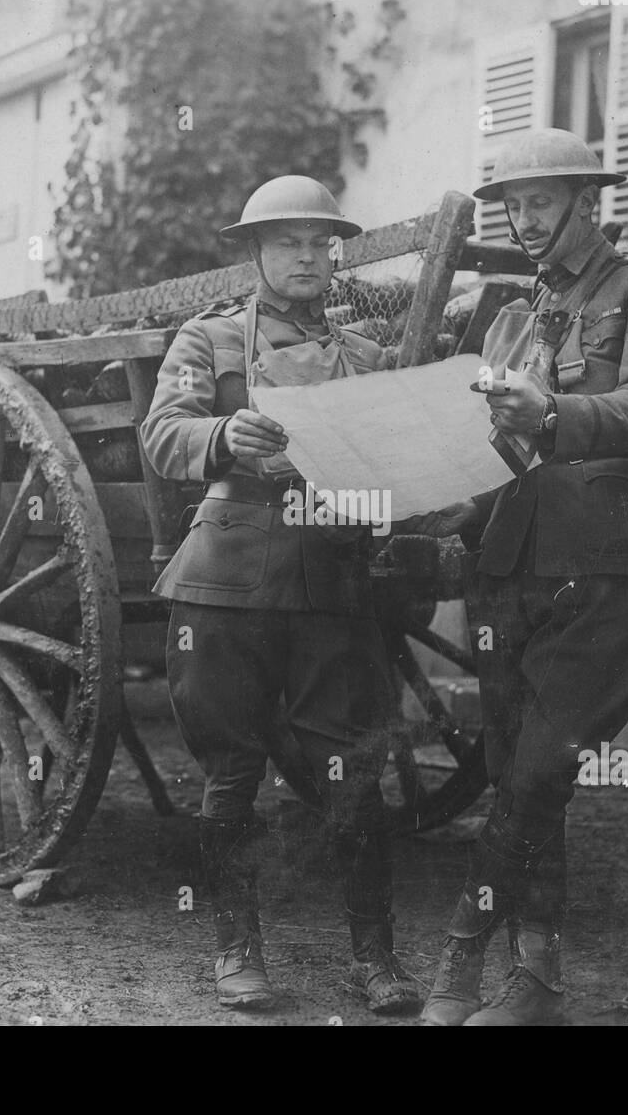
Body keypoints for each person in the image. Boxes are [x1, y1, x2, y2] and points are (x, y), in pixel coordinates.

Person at [414, 129, 628, 1026]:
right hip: (511, 568)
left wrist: (552, 412)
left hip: (614, 565)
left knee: (541, 771)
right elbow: (488, 450)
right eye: (514, 203)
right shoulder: (513, 315)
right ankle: (537, 982)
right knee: (513, 770)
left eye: (543, 201)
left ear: (590, 202)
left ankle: (461, 961)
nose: (525, 218)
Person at [139, 175, 419, 1014]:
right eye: (287, 242)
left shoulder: (365, 356)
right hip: (226, 580)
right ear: (255, 252)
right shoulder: (213, 339)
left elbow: (394, 461)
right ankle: (236, 953)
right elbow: (162, 434)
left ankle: (377, 959)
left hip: (330, 580)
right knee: (231, 774)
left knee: (357, 774)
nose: (306, 256)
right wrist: (225, 434)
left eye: (319, 243)